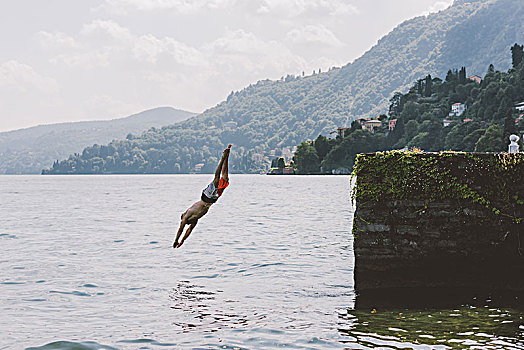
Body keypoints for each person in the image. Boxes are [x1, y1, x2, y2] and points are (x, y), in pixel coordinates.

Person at [173, 144, 231, 248]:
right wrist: (182, 242)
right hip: (212, 200)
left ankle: (222, 158)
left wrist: (176, 240)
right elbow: (188, 231)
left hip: (205, 197)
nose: (187, 224)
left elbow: (181, 229)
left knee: (217, 179)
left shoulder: (186, 216)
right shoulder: (194, 221)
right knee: (225, 179)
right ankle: (227, 156)